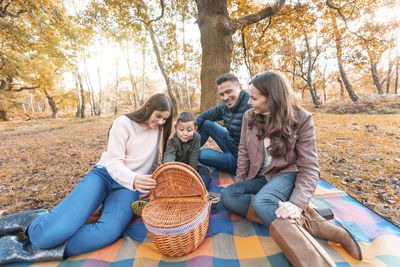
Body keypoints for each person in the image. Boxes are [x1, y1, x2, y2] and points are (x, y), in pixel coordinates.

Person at [0, 93, 173, 265]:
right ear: (148, 106)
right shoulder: (123, 123)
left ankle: (27, 249)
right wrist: (135, 178)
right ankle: (32, 220)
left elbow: (150, 159)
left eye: (164, 119)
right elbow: (113, 163)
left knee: (107, 232)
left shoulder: (158, 129)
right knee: (42, 236)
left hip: (128, 188)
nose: (160, 122)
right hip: (105, 175)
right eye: (158, 116)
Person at [221, 71, 362, 261]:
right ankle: (319, 226)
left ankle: (314, 262)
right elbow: (244, 152)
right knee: (229, 195)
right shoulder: (250, 116)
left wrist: (296, 203)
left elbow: (310, 167)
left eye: (254, 98)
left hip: (286, 175)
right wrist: (239, 183)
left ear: (272, 98)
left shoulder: (301, 119)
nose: (248, 102)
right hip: (260, 178)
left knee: (263, 202)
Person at [196, 73, 251, 174]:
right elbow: (204, 116)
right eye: (222, 94)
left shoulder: (251, 106)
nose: (225, 97)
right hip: (230, 143)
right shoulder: (225, 107)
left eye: (229, 92)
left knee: (200, 155)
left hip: (240, 159)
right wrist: (184, 133)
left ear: (240, 87)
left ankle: (193, 154)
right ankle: (184, 152)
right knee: (207, 124)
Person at [162, 111, 210, 189]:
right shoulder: (173, 141)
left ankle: (200, 189)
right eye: (181, 129)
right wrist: (171, 172)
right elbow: (169, 157)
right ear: (176, 128)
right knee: (169, 179)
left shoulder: (197, 137)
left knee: (205, 171)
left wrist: (191, 175)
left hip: (190, 168)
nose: (185, 133)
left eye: (189, 130)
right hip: (177, 170)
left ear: (195, 129)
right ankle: (182, 187)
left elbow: (194, 157)